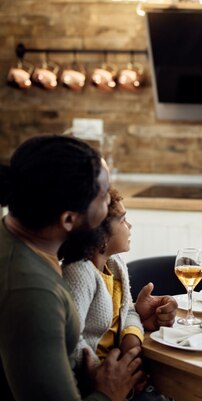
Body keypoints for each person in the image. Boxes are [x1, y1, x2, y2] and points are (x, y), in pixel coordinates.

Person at [0, 135, 142, 401]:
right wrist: (108, 391)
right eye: (103, 197)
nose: (109, 202)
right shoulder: (34, 294)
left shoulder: (17, 239)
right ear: (68, 219)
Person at [60, 188, 169, 401]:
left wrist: (132, 336)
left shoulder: (115, 264)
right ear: (100, 234)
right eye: (122, 219)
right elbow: (71, 340)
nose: (129, 225)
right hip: (96, 386)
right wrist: (104, 372)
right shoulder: (79, 274)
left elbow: (127, 309)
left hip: (123, 374)